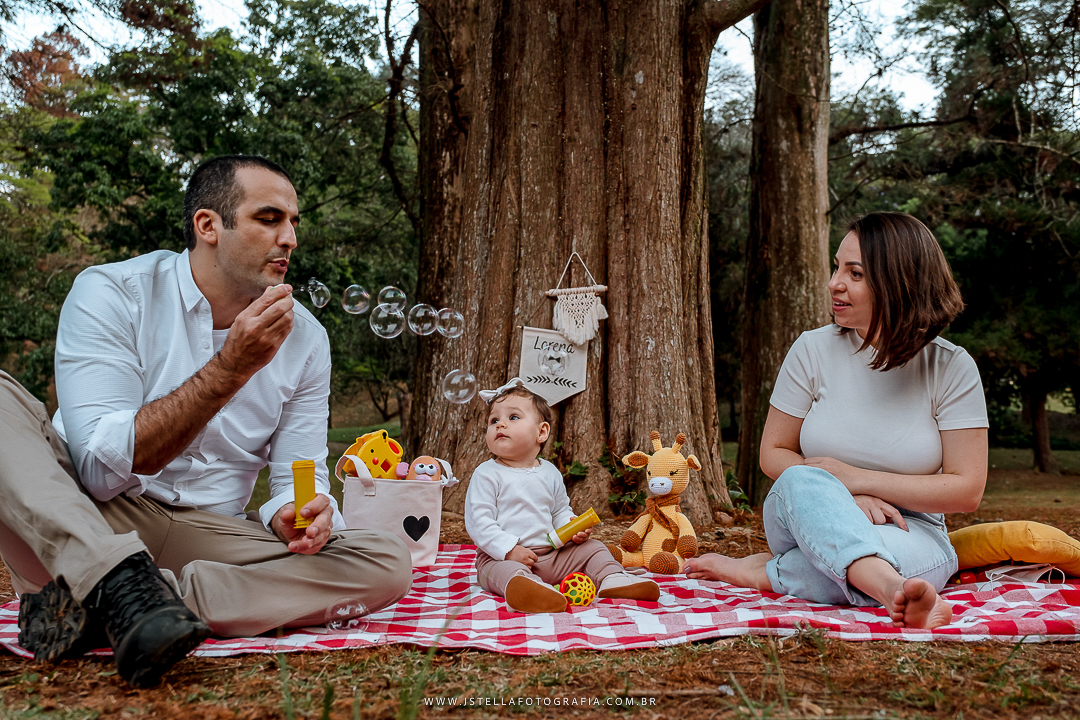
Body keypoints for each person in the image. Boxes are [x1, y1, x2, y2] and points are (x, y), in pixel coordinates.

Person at [1, 155, 412, 687]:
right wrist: (229, 368)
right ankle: (111, 583)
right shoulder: (113, 292)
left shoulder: (307, 338)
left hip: (209, 533)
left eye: (293, 222)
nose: (290, 239)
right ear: (208, 226)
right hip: (87, 517)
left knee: (384, 560)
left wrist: (296, 512)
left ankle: (127, 605)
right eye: (269, 219)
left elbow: (297, 477)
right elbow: (100, 474)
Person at [685, 212, 988, 630]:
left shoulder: (951, 367)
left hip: (911, 529)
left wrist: (856, 478)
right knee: (800, 478)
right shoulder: (811, 350)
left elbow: (966, 490)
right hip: (804, 512)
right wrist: (843, 493)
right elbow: (773, 453)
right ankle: (891, 589)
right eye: (837, 267)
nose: (834, 283)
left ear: (899, 282)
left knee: (832, 567)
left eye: (855, 273)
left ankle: (763, 572)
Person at [464, 378, 659, 613]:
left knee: (594, 548)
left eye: (513, 417)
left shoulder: (549, 472)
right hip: (501, 558)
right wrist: (509, 550)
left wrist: (571, 527)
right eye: (493, 420)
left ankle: (612, 579)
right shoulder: (486, 473)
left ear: (541, 432)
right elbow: (479, 522)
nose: (500, 425)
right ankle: (529, 591)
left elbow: (559, 510)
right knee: (503, 572)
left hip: (551, 555)